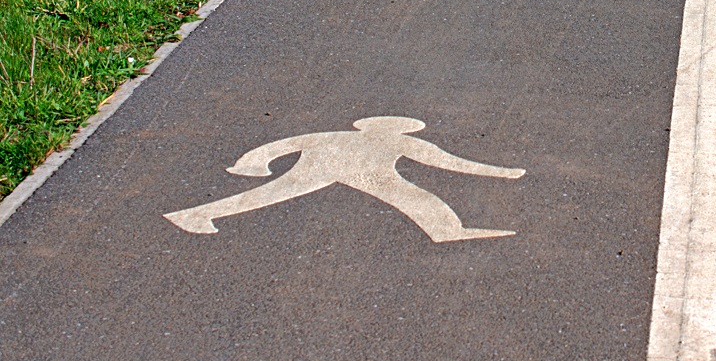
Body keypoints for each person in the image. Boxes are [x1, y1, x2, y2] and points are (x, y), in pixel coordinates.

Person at [164, 117, 525, 242]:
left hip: (361, 174)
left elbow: (281, 146)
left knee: (269, 194)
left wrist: (253, 163)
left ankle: (447, 230)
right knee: (268, 195)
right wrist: (502, 173)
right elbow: (451, 164)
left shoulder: (338, 136)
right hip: (348, 172)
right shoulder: (403, 142)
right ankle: (196, 214)